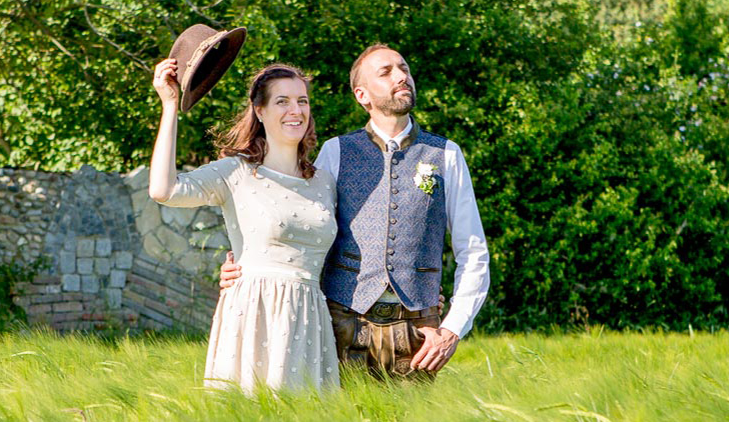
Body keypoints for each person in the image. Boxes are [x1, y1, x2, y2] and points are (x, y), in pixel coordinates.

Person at [221, 44, 489, 379]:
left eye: (403, 68)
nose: (402, 76)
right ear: (362, 95)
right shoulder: (336, 152)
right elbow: (296, 223)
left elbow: (473, 250)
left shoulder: (446, 154)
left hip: (419, 330)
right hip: (341, 322)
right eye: (386, 71)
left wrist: (453, 328)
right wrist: (248, 264)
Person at [149, 58, 340, 394]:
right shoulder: (235, 172)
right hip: (254, 312)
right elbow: (164, 191)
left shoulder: (324, 181)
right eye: (282, 101)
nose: (295, 110)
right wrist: (169, 105)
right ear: (260, 111)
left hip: (310, 316)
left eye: (302, 101)